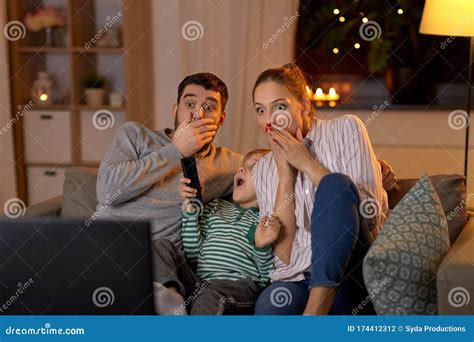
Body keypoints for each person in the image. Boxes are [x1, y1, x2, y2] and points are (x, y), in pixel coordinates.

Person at [251, 63, 390, 315]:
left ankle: (314, 316)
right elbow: (284, 257)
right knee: (269, 308)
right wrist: (285, 176)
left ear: (303, 105)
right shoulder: (262, 169)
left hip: (351, 271)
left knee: (335, 183)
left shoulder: (346, 129)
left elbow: (369, 216)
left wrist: (307, 163)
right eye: (261, 110)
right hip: (297, 279)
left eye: (279, 107)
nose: (269, 120)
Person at [96, 73, 243, 248]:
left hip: (157, 259)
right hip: (102, 245)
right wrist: (176, 151)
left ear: (221, 119)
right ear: (175, 110)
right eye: (190, 104)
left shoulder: (229, 164)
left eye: (209, 107)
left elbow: (271, 173)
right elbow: (106, 192)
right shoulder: (134, 135)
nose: (198, 114)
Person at [153, 149, 279, 315]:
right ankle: (172, 297)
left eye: (253, 166)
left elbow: (266, 277)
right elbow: (194, 254)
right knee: (161, 245)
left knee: (209, 298)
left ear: (272, 182)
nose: (240, 169)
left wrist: (262, 246)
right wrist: (191, 215)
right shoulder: (215, 206)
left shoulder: (266, 221)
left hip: (237, 286)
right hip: (200, 283)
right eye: (241, 167)